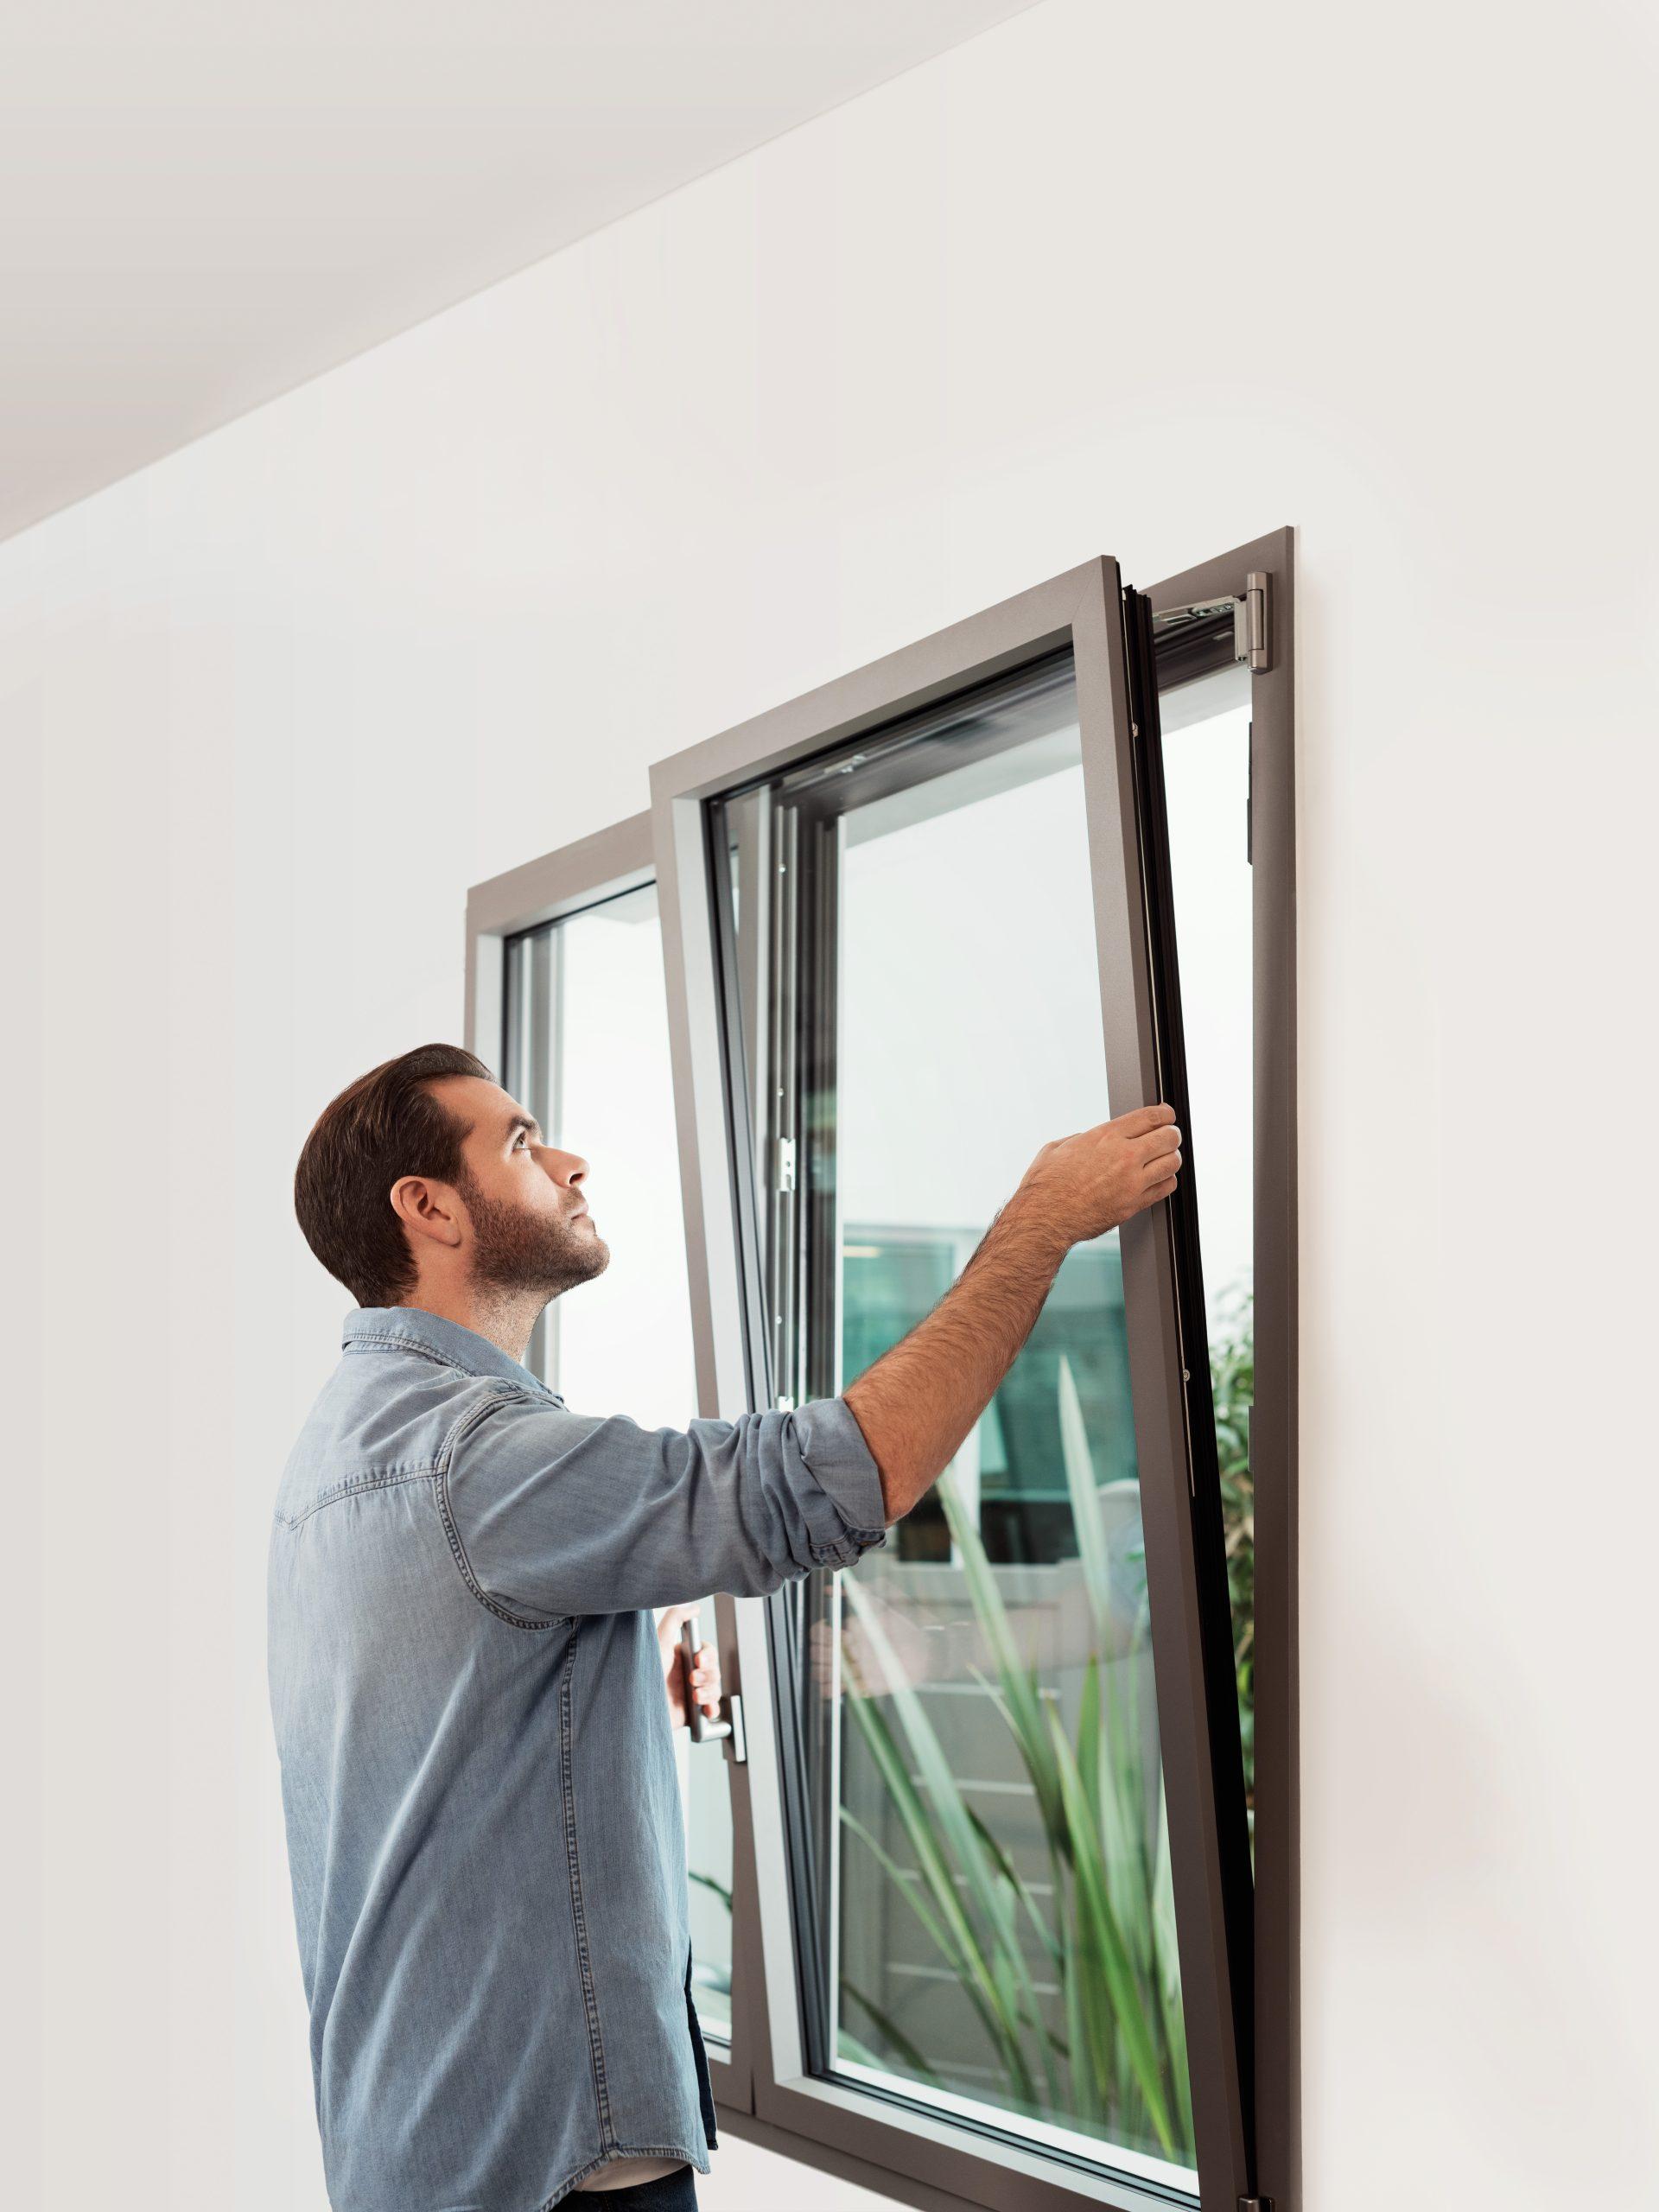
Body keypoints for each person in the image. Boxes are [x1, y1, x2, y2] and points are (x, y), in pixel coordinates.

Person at [269, 1041, 1182, 2212]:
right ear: (429, 1208)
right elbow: (822, 1483)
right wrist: (1036, 1226)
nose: (569, 1160)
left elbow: (429, 1715)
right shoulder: (474, 1461)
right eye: (518, 1141)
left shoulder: (347, 1448)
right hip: (543, 2176)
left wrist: (595, 1680)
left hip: (424, 2152)